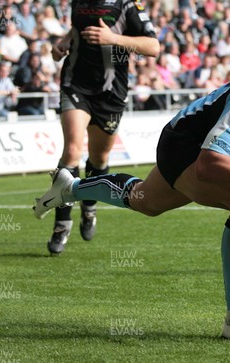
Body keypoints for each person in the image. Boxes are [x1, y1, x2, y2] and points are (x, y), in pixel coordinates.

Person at [34, 44, 230, 342]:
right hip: (184, 144)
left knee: (146, 201)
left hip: (213, 154)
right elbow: (207, 166)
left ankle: (71, 187)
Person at [47, 0, 159, 255]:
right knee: (72, 152)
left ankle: (89, 205)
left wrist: (112, 38)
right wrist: (63, 43)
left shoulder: (127, 5)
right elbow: (77, 29)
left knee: (99, 158)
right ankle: (61, 225)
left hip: (111, 92)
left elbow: (153, 47)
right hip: (75, 85)